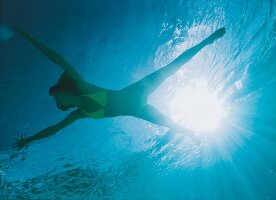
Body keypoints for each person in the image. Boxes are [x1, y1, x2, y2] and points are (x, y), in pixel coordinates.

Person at [12, 26, 226, 150]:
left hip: (136, 92)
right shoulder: (79, 114)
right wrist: (29, 140)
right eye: (57, 101)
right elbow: (53, 130)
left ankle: (207, 40)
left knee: (171, 68)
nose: (57, 102)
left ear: (65, 90)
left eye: (57, 95)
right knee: (170, 124)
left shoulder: (83, 87)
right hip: (137, 110)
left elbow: (59, 60)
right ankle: (191, 133)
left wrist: (28, 37)